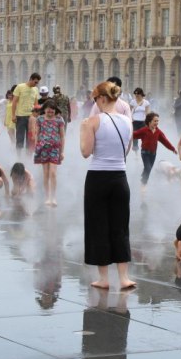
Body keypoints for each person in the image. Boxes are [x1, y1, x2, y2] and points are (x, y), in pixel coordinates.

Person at [80, 81, 135, 290]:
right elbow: (126, 150)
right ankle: (124, 278)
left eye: (95, 99)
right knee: (121, 227)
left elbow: (86, 152)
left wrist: (83, 130)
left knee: (98, 227)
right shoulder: (128, 122)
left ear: (102, 99)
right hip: (120, 178)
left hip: (97, 178)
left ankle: (103, 279)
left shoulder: (92, 121)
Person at [33, 99, 66, 206]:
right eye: (48, 111)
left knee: (53, 173)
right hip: (43, 148)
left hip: (55, 148)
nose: (50, 113)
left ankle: (53, 197)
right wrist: (36, 147)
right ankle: (47, 197)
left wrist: (62, 152)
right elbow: (36, 134)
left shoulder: (59, 120)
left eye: (52, 111)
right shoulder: (40, 119)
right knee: (46, 174)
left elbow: (62, 136)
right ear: (44, 110)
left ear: (55, 110)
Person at [132, 112, 176, 187]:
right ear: (149, 122)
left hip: (153, 154)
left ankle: (143, 176)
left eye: (157, 121)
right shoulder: (144, 130)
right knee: (148, 168)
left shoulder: (158, 132)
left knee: (149, 169)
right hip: (144, 153)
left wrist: (172, 149)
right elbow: (134, 134)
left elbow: (165, 141)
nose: (157, 123)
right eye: (155, 121)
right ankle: (143, 184)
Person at [11, 73, 40, 154]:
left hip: (31, 118)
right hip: (20, 116)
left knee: (30, 138)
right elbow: (14, 102)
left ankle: (28, 158)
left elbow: (36, 104)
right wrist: (13, 115)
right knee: (20, 138)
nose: (36, 84)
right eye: (35, 82)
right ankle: (18, 157)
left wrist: (37, 116)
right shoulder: (20, 87)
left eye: (37, 83)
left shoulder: (35, 89)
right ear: (31, 79)